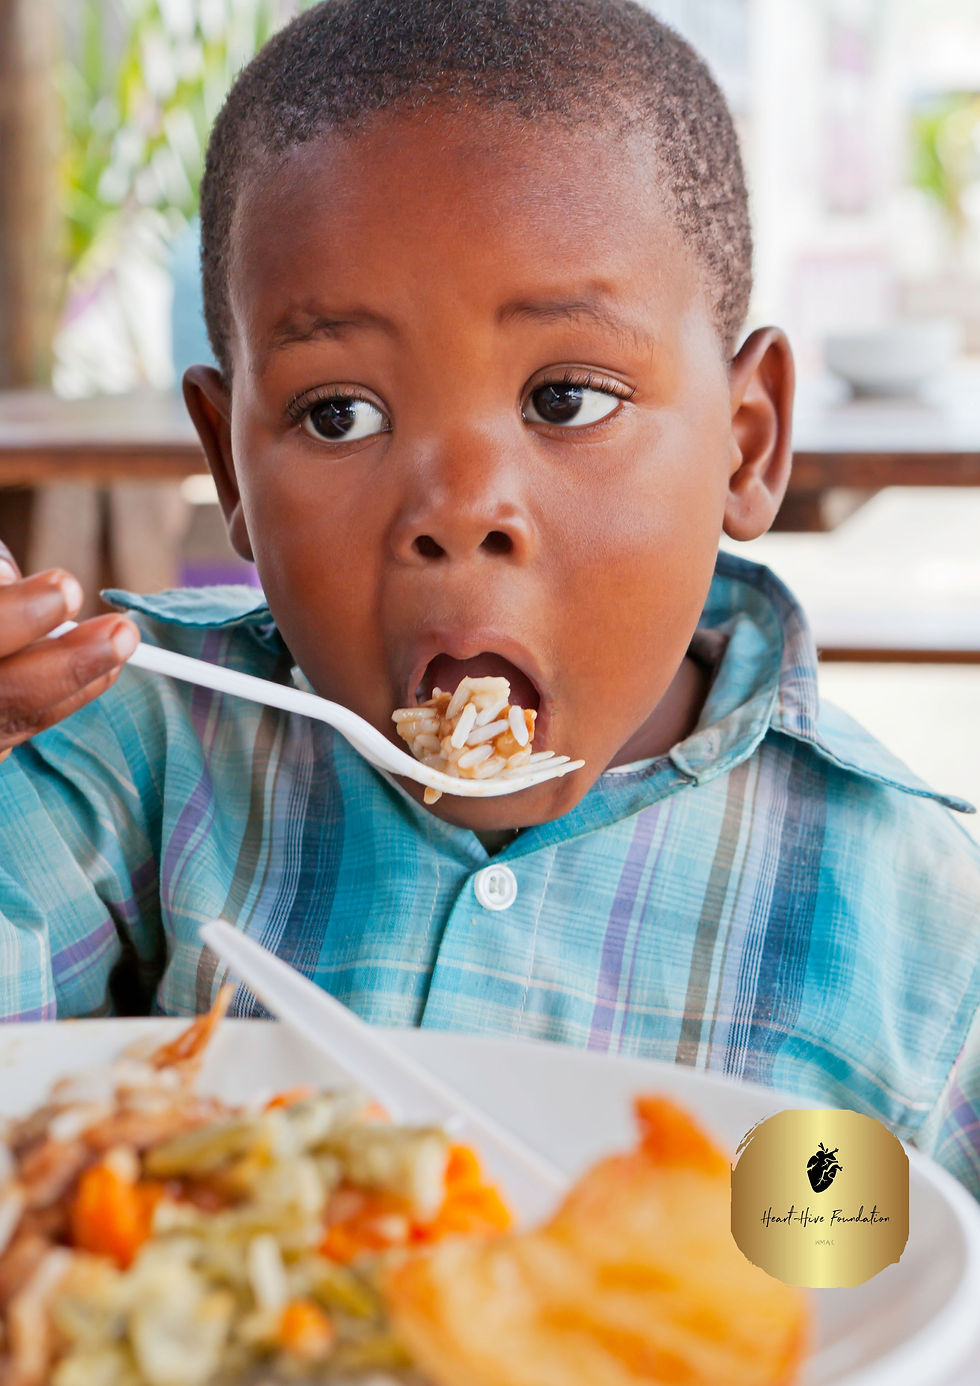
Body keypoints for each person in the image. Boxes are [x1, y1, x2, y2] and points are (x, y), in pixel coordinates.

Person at [1, 0, 978, 1197]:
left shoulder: (924, 933)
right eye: (337, 413)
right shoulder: (131, 754)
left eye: (566, 398)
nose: (459, 507)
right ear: (228, 467)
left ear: (745, 442)